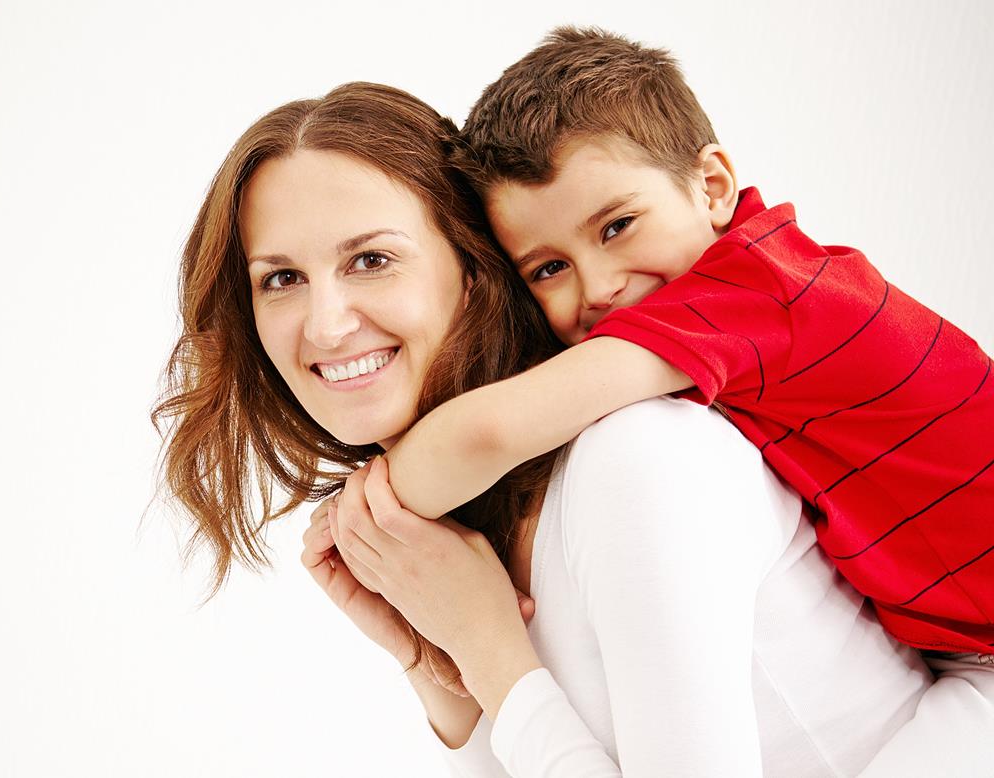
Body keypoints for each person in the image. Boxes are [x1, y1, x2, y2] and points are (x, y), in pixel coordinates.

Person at [153, 81, 986, 775]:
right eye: (281, 278)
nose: (327, 324)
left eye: (371, 259)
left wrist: (489, 650)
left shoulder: (641, 455)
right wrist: (435, 665)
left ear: (476, 268)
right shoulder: (482, 525)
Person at [355, 24, 994, 686]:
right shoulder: (771, 275)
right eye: (548, 269)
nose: (598, 288)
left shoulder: (748, 295)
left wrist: (366, 513)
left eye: (617, 227)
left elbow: (487, 434)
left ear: (712, 186)